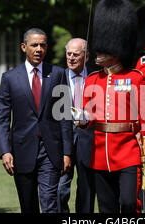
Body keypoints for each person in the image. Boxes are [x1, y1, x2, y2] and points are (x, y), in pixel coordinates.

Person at [75, 0, 145, 213]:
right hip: (100, 154)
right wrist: (83, 119)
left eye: (103, 50)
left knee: (130, 203)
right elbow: (88, 117)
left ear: (116, 47)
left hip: (128, 152)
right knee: (106, 208)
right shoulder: (92, 80)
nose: (97, 53)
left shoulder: (136, 77)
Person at [0, 28, 72, 213]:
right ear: (24, 47)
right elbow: (3, 119)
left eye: (43, 45)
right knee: (28, 206)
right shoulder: (10, 78)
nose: (39, 49)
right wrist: (5, 151)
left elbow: (64, 116)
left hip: (50, 152)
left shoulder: (58, 74)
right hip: (22, 152)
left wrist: (67, 152)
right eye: (34, 45)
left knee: (50, 203)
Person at [57, 38, 95, 213]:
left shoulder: (97, 77)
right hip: (63, 139)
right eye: (68, 54)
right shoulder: (58, 77)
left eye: (76, 54)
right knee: (60, 188)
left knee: (86, 187)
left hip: (89, 138)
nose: (71, 58)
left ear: (86, 57)